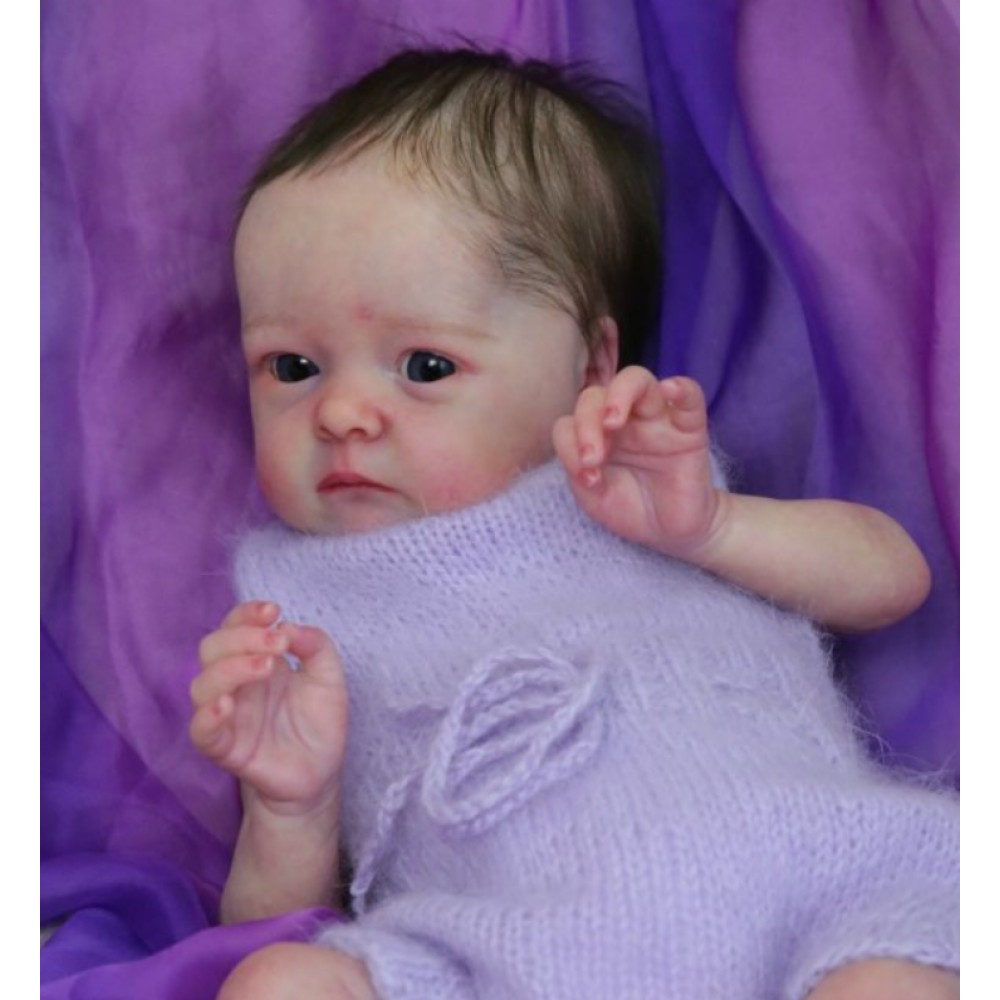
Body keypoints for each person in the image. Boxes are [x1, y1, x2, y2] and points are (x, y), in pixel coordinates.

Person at [190, 48, 958, 999]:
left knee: (893, 979)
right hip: (499, 948)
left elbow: (895, 577)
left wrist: (716, 528)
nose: (340, 413)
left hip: (805, 883)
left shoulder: (641, 485)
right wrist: (288, 806)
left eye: (425, 367)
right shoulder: (290, 617)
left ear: (589, 367)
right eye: (292, 368)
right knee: (276, 979)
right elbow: (259, 924)